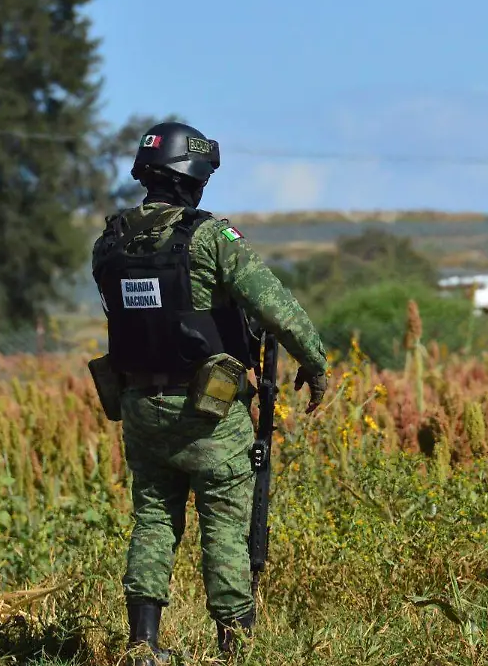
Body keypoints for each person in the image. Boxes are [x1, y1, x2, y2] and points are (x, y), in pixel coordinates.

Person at [91, 121, 330, 664]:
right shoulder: (209, 237)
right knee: (224, 521)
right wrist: (315, 364)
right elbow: (278, 309)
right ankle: (234, 648)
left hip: (138, 405)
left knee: (154, 517)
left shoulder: (111, 240)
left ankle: (142, 645)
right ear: (194, 178)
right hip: (209, 411)